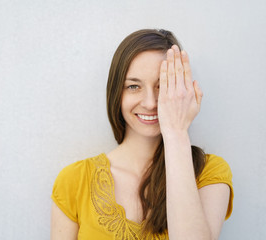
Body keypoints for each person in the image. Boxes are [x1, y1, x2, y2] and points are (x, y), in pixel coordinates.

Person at [50, 29, 233, 240]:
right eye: (134, 86)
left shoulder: (210, 172)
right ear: (116, 93)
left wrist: (176, 131)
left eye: (162, 86)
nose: (149, 102)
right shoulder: (73, 180)